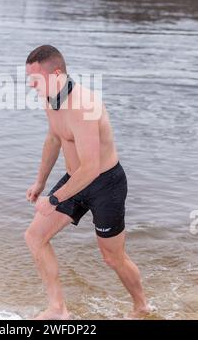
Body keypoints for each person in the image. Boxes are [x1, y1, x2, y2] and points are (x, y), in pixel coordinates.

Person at [25, 45, 149, 320]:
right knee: (35, 236)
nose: (31, 86)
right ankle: (58, 309)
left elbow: (91, 168)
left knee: (112, 258)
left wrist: (54, 200)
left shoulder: (84, 106)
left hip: (105, 184)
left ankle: (141, 307)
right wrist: (40, 183)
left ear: (56, 74)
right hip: (75, 179)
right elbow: (55, 138)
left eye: (35, 79)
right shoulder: (50, 98)